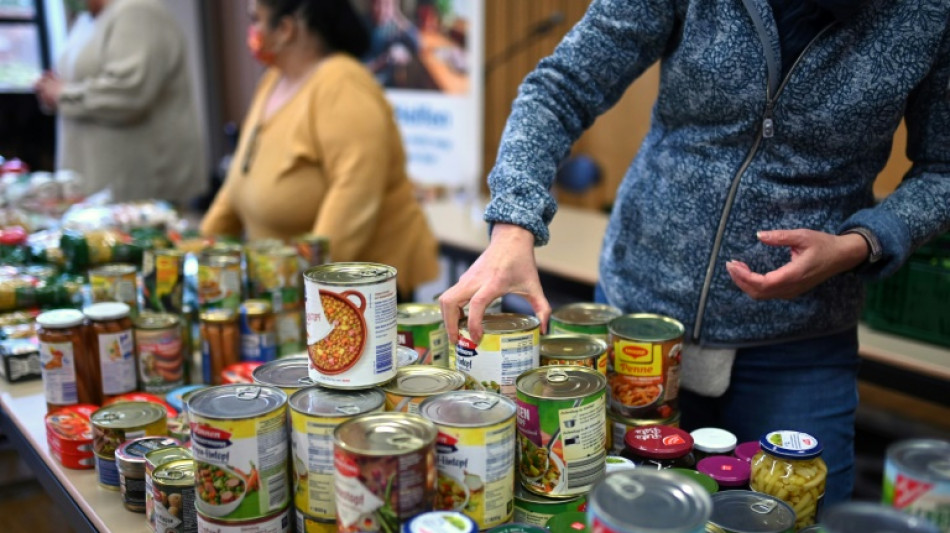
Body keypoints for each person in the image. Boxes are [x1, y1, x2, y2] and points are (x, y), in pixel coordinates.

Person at [439, 0, 950, 506]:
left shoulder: (928, 13)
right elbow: (562, 85)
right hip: (637, 320)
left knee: (803, 513)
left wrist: (861, 243)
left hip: (798, 340)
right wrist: (513, 222)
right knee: (622, 508)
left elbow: (942, 169)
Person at [200, 0, 439, 298]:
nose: (252, 31)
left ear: (286, 29)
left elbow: (353, 199)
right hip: (286, 288)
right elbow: (239, 177)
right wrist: (203, 251)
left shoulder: (342, 82)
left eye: (256, 20)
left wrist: (305, 290)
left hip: (356, 296)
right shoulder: (273, 81)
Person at [33, 0, 204, 205]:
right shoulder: (86, 19)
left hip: (136, 183)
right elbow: (68, 79)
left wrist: (63, 93)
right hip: (92, 182)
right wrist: (50, 90)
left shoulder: (136, 10)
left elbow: (128, 94)